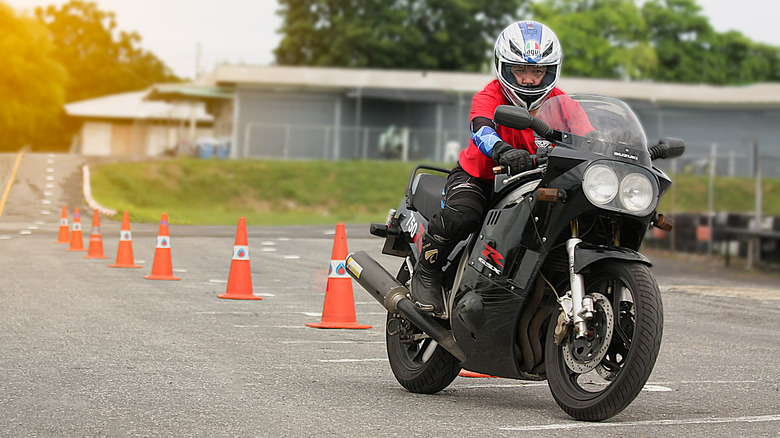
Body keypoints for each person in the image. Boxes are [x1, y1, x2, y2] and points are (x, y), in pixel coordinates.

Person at [411, 20, 589, 314]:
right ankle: (427, 272)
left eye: (538, 71)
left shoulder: (564, 104)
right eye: (520, 70)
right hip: (481, 177)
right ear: (503, 66)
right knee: (463, 216)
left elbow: (589, 136)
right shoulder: (489, 95)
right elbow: (481, 129)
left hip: (538, 181)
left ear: (551, 70)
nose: (529, 80)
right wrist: (503, 151)